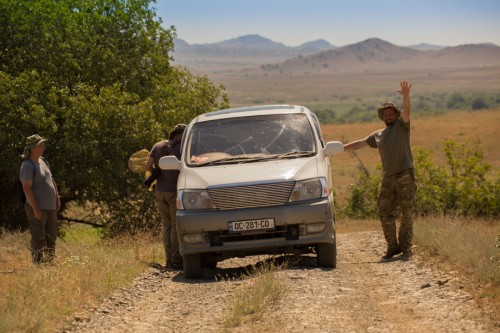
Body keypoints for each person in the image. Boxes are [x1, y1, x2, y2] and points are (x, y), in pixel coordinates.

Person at [343, 81, 416, 260]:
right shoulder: (378, 135)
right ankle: (393, 246)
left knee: (407, 212)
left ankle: (405, 247)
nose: (389, 116)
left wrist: (406, 95)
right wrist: (339, 149)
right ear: (383, 117)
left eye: (391, 113)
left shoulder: (402, 126)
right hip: (388, 178)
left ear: (396, 115)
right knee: (384, 211)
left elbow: (407, 111)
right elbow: (360, 143)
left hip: (405, 174)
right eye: (386, 114)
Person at [145, 124, 186, 270]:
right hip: (175, 191)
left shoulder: (158, 145)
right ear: (183, 134)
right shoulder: (183, 147)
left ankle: (168, 259)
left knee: (166, 225)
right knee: (176, 225)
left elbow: (147, 166)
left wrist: (158, 172)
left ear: (173, 133)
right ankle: (176, 260)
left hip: (160, 190)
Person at [19, 134, 61, 264]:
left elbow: (51, 180)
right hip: (38, 208)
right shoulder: (27, 165)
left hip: (50, 208)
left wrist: (57, 198)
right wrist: (36, 209)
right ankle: (38, 264)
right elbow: (26, 188)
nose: (43, 147)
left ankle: (49, 262)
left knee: (51, 237)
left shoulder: (43, 161)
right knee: (39, 238)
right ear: (32, 148)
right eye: (41, 145)